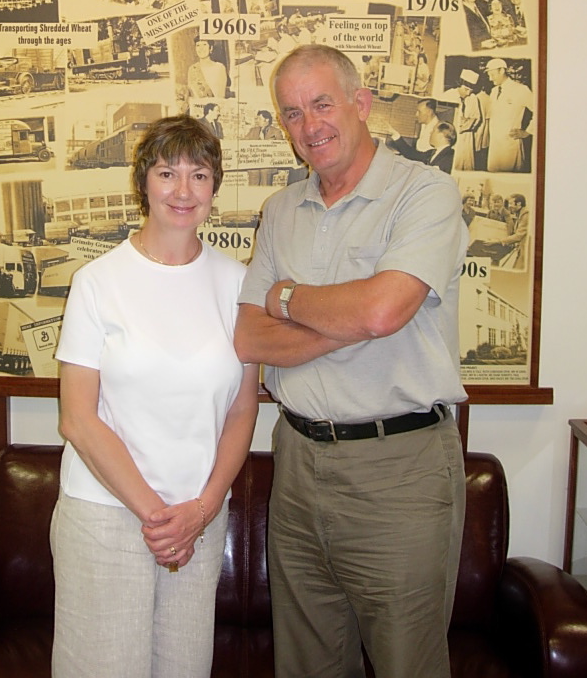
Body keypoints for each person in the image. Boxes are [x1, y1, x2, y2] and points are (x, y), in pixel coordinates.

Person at [234, 45, 467, 678]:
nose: (309, 126)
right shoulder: (279, 211)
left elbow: (384, 311)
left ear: (361, 104)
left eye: (321, 104)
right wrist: (354, 316)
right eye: (291, 113)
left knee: (406, 666)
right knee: (306, 666)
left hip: (401, 472)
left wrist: (291, 300)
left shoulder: (425, 193)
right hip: (298, 467)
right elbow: (250, 337)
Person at [52, 116, 259, 678]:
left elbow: (243, 409)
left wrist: (202, 508)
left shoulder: (239, 284)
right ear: (144, 182)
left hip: (198, 516)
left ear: (216, 187)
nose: (183, 190)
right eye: (168, 173)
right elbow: (78, 419)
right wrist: (159, 518)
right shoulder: (98, 281)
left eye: (200, 174)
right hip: (108, 517)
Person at [484, 57, 532, 172]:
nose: (490, 79)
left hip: (510, 145)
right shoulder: (494, 91)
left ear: (502, 70)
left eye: (493, 74)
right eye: (489, 75)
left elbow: (540, 110)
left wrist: (528, 132)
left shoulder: (521, 89)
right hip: (494, 146)